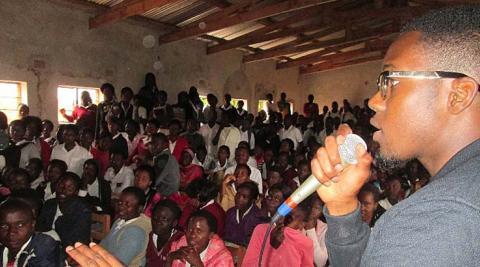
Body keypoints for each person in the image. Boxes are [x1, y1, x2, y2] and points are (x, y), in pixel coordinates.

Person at [311, 6, 480, 266]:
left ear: (458, 95)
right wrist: (342, 206)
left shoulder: (433, 222)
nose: (374, 101)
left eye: (388, 81)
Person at [242, 200, 314, 267]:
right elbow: (247, 264)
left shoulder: (305, 242)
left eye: (290, 218)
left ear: (302, 224)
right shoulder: (262, 230)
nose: (283, 218)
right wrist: (271, 247)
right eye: (283, 213)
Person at [36, 172, 91, 249]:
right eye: (61, 185)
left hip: (69, 250)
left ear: (76, 192)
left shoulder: (83, 211)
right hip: (46, 247)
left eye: (69, 188)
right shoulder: (50, 204)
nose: (63, 190)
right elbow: (39, 228)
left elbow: (79, 241)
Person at [0, 199, 62, 266]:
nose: (11, 232)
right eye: (4, 226)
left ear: (32, 224)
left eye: (19, 225)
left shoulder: (46, 246)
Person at [101, 187, 152, 267]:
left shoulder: (135, 232)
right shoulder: (121, 220)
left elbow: (117, 263)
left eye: (127, 205)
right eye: (120, 203)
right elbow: (104, 244)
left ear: (139, 209)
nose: (121, 207)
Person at [166, 210, 234, 267]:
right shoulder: (178, 247)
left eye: (199, 231)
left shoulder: (222, 258)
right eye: (190, 229)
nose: (192, 235)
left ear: (210, 235)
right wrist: (170, 258)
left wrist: (198, 264)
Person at [224, 181, 264, 247]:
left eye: (244, 197)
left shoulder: (258, 219)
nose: (239, 199)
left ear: (253, 200)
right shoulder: (230, 213)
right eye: (238, 194)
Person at [146, 199, 184, 267]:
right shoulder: (149, 236)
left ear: (174, 223)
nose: (158, 222)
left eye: (164, 219)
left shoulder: (180, 241)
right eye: (155, 217)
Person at [150, 133, 180, 197]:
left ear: (165, 145)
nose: (153, 147)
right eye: (152, 144)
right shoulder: (165, 156)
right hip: (169, 192)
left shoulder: (163, 158)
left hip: (166, 194)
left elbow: (153, 181)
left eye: (156, 144)